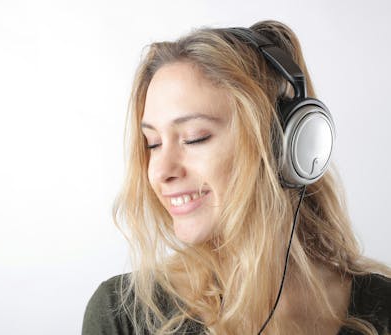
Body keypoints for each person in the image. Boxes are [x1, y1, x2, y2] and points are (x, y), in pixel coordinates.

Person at [81, 20, 391, 335]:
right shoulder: (121, 314)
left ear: (280, 146)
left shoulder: (383, 306)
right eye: (153, 144)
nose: (161, 172)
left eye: (194, 138)